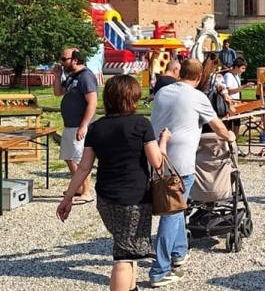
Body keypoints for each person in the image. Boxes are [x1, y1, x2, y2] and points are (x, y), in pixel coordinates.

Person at [57, 75, 170, 291]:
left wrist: (68, 197)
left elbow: (83, 168)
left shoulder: (97, 127)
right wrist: (163, 142)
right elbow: (158, 163)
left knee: (129, 247)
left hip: (107, 200)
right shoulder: (141, 124)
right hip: (134, 200)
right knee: (123, 257)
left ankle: (132, 287)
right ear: (133, 98)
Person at [149, 59, 236, 287]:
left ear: (180, 73)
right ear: (198, 78)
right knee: (171, 214)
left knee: (178, 209)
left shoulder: (162, 92)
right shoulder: (197, 96)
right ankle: (160, 269)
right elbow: (216, 125)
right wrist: (230, 136)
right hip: (181, 164)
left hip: (156, 157)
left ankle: (179, 253)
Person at [53, 48, 98, 204]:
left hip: (79, 126)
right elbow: (58, 93)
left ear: (75, 60)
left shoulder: (86, 77)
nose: (61, 62)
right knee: (69, 157)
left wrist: (84, 125)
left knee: (79, 160)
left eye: (64, 59)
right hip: (70, 125)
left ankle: (87, 192)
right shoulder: (72, 76)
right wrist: (57, 76)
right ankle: (78, 186)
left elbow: (92, 102)